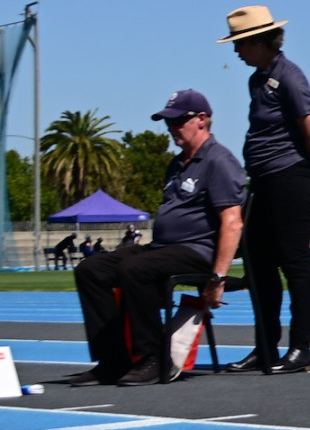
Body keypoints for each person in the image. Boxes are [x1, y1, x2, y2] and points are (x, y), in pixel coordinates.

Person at [68, 90, 244, 387]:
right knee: (91, 269)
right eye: (168, 122)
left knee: (136, 269)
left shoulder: (219, 161)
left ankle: (154, 358)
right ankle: (112, 361)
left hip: (197, 251)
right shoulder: (176, 164)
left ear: (201, 120)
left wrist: (218, 278)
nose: (171, 127)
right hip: (163, 249)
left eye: (178, 121)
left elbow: (232, 222)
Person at [219, 5, 310, 375]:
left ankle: (302, 347)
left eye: (240, 44)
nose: (236, 51)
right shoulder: (258, 80)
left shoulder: (289, 76)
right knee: (258, 262)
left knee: (293, 261)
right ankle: (265, 346)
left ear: (260, 41)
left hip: (289, 176)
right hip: (264, 179)